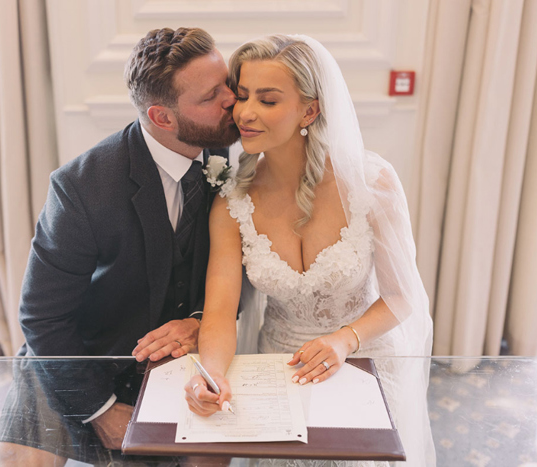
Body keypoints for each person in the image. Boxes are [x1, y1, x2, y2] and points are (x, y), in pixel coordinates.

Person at [184, 35, 434, 466]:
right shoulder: (231, 204)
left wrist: (344, 340)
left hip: (364, 358)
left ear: (310, 109)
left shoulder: (372, 183)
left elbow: (403, 297)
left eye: (268, 100)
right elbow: (220, 314)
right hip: (279, 370)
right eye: (242, 96)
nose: (245, 113)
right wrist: (211, 374)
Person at [0, 27, 239, 465]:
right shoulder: (81, 188)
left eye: (227, 83)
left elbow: (257, 257)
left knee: (210, 456)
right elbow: (42, 316)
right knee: (17, 460)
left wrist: (204, 318)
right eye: (210, 96)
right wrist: (99, 411)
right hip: (80, 352)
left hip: (175, 356)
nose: (231, 101)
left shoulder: (238, 150)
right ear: (162, 117)